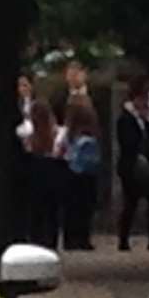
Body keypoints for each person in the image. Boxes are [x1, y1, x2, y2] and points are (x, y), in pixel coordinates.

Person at [115, 76, 149, 252]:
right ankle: (123, 239)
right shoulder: (126, 118)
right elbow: (127, 141)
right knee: (130, 203)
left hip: (145, 163)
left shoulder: (144, 120)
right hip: (131, 165)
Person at [60, 99, 101, 251]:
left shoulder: (68, 134)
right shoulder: (90, 137)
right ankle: (83, 238)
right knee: (85, 208)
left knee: (71, 209)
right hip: (86, 175)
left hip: (70, 172)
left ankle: (70, 239)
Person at [24, 100, 65, 248]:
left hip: (35, 172)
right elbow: (61, 153)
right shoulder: (57, 134)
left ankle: (36, 242)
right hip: (53, 172)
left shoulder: (29, 136)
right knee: (52, 213)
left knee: (36, 212)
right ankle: (52, 244)